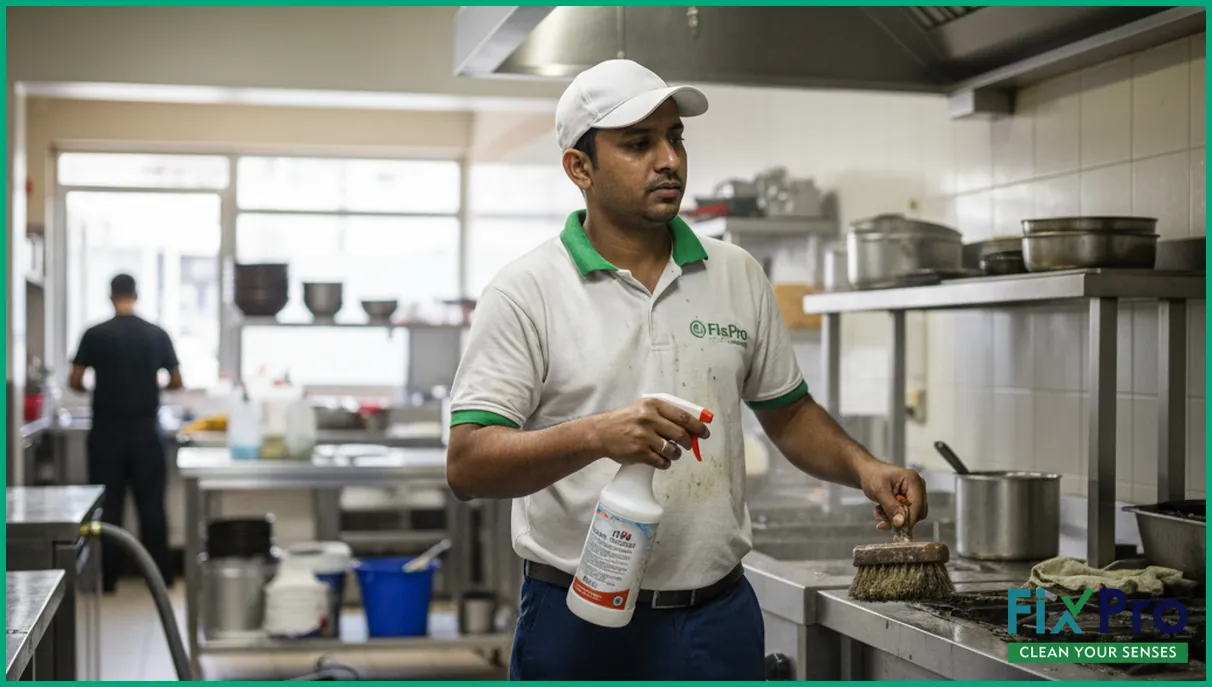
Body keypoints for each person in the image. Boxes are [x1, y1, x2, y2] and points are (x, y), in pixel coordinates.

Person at [445, 59, 929, 681]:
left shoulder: (737, 274)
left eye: (675, 137)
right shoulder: (526, 291)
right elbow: (468, 464)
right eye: (638, 144)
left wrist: (866, 468)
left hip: (716, 617)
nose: (669, 159)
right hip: (578, 617)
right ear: (580, 167)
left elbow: (788, 412)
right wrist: (597, 435)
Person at [69, 273, 182, 593]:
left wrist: (100, 387)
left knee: (108, 508)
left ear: (110, 296)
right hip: (146, 431)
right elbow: (176, 381)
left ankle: (107, 579)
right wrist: (146, 384)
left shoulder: (94, 334)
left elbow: (74, 380)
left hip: (106, 432)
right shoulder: (156, 334)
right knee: (152, 507)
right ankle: (161, 577)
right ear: (137, 294)